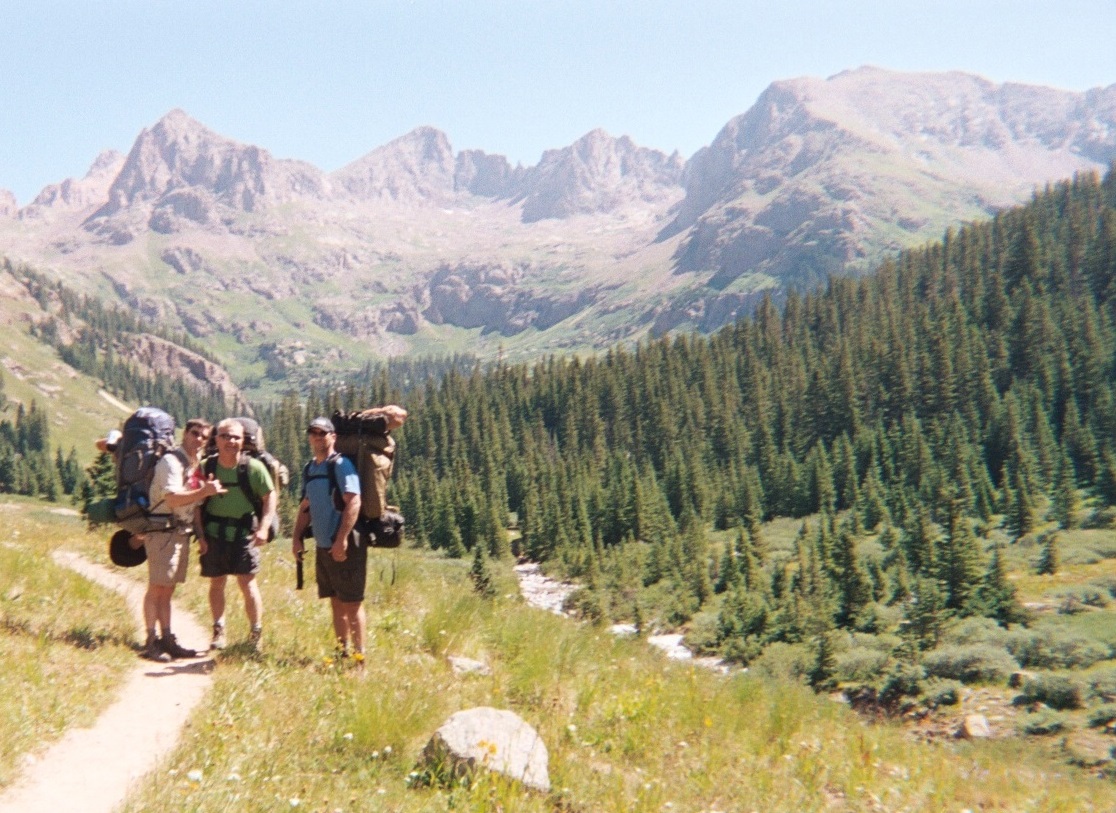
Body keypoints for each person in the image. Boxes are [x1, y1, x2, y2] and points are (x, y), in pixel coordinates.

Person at [138, 418, 226, 662]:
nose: (198, 439)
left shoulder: (192, 464)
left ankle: (166, 638)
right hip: (162, 530)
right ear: (185, 433)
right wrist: (204, 492)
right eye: (194, 433)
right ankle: (150, 641)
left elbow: (194, 506)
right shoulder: (171, 462)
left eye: (203, 436)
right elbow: (173, 498)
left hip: (179, 533)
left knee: (167, 589)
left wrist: (200, 535)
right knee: (156, 587)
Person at [196, 418, 277, 651]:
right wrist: (200, 536)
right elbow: (196, 503)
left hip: (244, 535)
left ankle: (255, 633)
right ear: (216, 439)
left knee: (248, 584)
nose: (231, 441)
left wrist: (263, 527)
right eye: (225, 436)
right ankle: (218, 630)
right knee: (217, 582)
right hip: (214, 534)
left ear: (243, 441)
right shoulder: (206, 467)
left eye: (236, 437)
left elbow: (269, 496)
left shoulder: (253, 468)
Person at [290, 416, 366, 660]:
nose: (317, 436)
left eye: (323, 433)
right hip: (324, 546)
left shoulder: (341, 465)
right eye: (313, 432)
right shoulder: (310, 468)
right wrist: (296, 537)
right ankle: (342, 652)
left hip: (345, 545)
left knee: (352, 604)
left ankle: (359, 659)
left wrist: (341, 539)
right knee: (335, 601)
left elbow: (354, 500)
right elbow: (306, 505)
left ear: (333, 436)